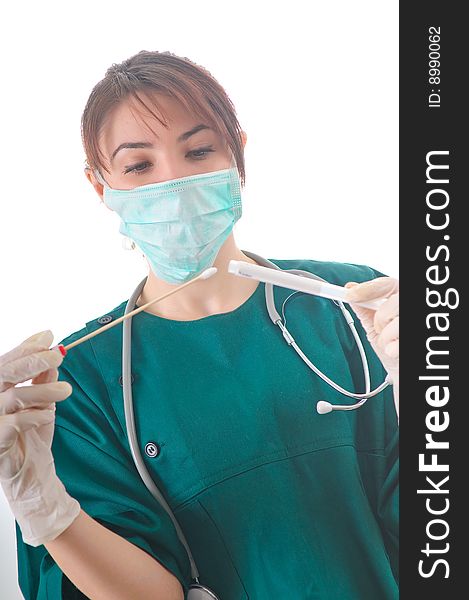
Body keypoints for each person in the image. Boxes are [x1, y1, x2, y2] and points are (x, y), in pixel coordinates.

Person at [0, 50, 399, 600]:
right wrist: (43, 508)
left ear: (239, 157)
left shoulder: (357, 309)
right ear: (101, 187)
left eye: (199, 150)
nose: (176, 182)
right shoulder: (80, 383)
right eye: (140, 165)